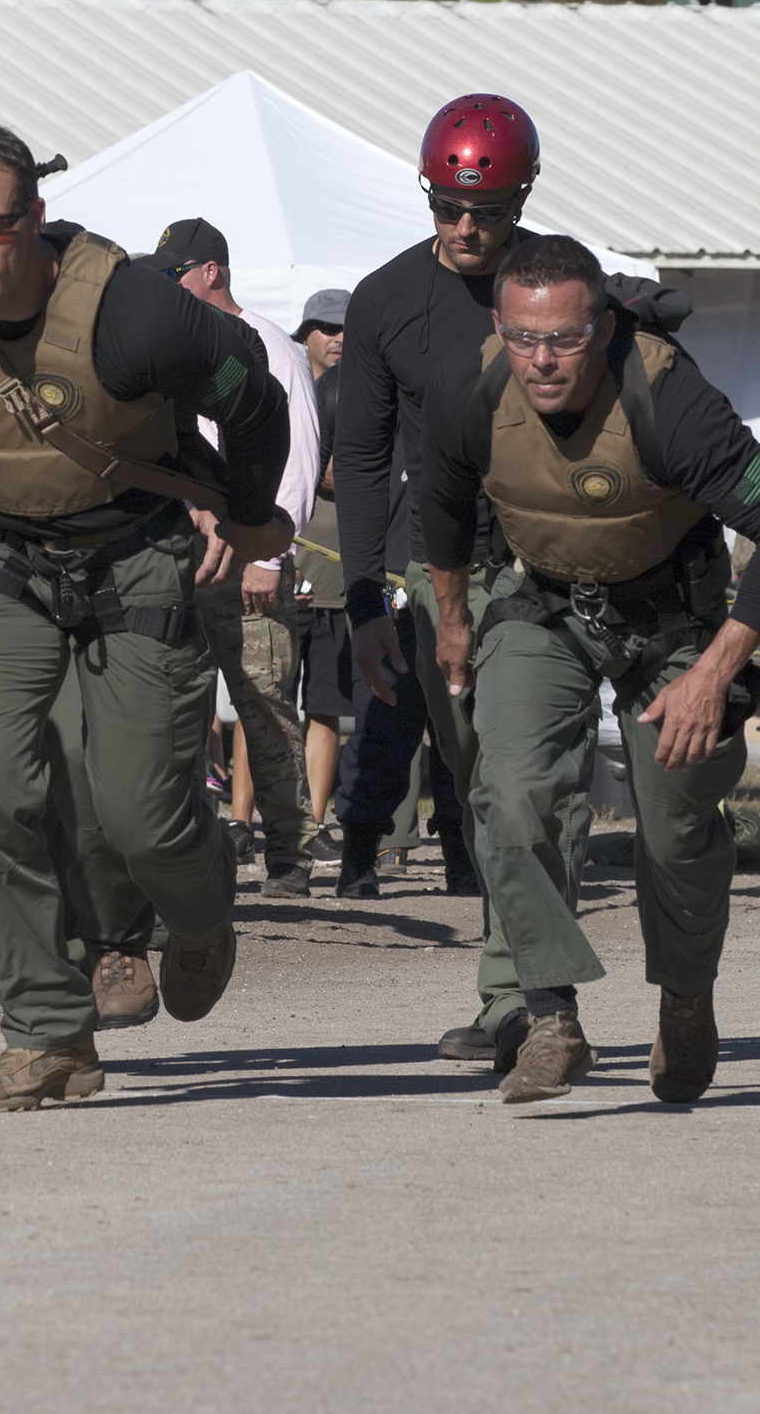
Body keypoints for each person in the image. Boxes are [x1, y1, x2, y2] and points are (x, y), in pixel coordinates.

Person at [0, 125, 290, 1113]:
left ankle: (200, 916)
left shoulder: (135, 312)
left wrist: (244, 515)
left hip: (135, 552)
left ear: (32, 219)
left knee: (142, 814)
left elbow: (254, 395)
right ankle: (45, 1032)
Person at [423, 236, 760, 1101]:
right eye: (524, 337)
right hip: (546, 607)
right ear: (500, 325)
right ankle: (549, 1014)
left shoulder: (669, 396)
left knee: (675, 826)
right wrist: (453, 620)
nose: (543, 360)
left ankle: (685, 997)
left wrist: (714, 672)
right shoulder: (471, 388)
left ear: (602, 328)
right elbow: (442, 510)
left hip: (675, 622)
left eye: (564, 337)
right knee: (512, 788)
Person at [333, 94, 535, 1047]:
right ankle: (518, 996)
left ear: (522, 199)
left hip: (554, 570)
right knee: (479, 783)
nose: (465, 229)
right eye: (447, 207)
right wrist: (365, 601)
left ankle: (520, 999)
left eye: (487, 211)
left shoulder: (558, 287)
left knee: (519, 788)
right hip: (444, 577)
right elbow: (365, 462)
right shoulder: (384, 301)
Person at [150, 219, 322, 898]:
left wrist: (269, 555)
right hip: (184, 556)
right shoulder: (172, 346)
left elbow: (300, 456)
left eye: (177, 272)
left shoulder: (270, 345)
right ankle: (193, 846)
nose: (170, 285)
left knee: (265, 703)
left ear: (211, 271)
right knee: (176, 707)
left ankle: (291, 853)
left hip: (249, 554)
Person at [290, 288, 351, 866]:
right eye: (326, 326)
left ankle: (314, 819)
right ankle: (241, 818)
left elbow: (349, 472)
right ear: (304, 330)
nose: (337, 337)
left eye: (345, 328)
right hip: (276, 567)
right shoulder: (283, 384)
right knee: (266, 700)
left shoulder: (362, 393)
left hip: (337, 573)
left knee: (325, 704)